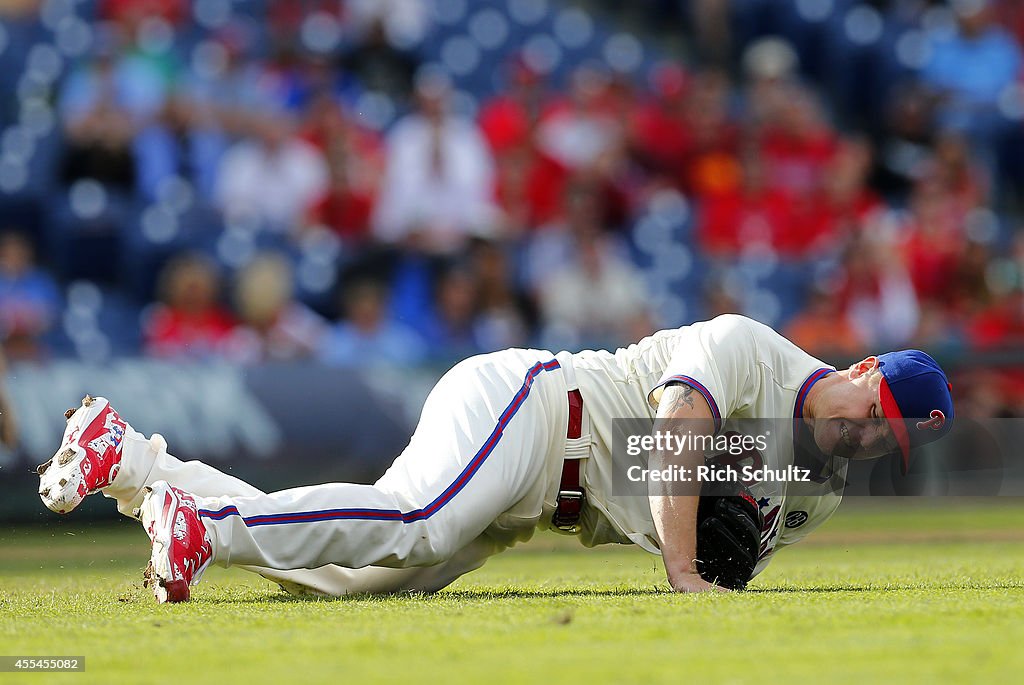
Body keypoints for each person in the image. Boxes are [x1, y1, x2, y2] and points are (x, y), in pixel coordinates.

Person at [37, 315, 954, 602]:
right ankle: (209, 526)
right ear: (863, 368)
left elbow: (712, 534)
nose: (870, 438)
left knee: (351, 583)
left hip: (540, 506)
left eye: (891, 443)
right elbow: (674, 433)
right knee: (416, 515)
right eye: (876, 413)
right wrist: (682, 564)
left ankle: (135, 466)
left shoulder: (818, 487)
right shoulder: (753, 348)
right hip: (536, 408)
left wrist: (712, 557)